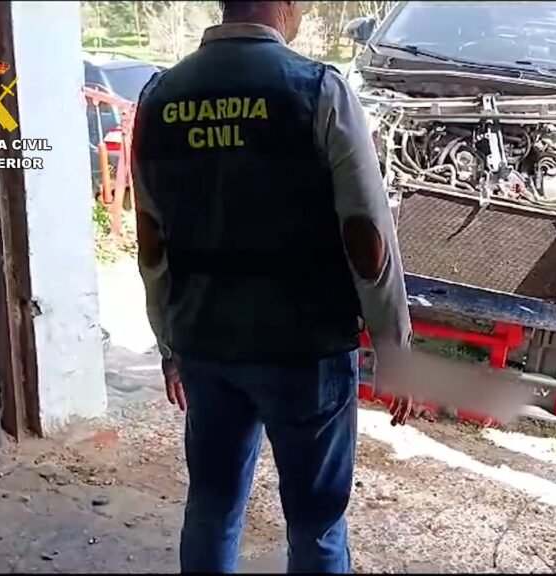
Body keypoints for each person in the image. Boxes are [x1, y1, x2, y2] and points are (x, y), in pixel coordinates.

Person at [130, 1, 414, 572]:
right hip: (304, 352)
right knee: (316, 525)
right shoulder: (317, 91)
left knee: (211, 508)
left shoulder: (158, 99)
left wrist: (170, 348)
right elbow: (368, 239)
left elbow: (152, 245)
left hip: (207, 345)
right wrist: (394, 347)